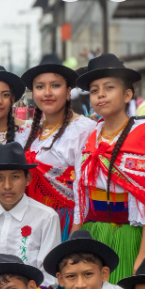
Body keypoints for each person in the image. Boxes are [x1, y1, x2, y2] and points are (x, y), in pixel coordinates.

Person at [74, 53, 145, 283]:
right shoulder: (90, 137)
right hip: (94, 233)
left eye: (109, 87)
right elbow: (81, 194)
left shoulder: (143, 136)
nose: (101, 94)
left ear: (128, 94)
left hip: (129, 236)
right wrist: (75, 238)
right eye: (95, 90)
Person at [17, 54, 98, 241]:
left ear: (68, 91)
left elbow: (84, 187)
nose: (47, 93)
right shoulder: (28, 132)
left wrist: (75, 233)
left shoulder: (84, 130)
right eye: (40, 87)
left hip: (66, 223)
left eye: (55, 85)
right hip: (30, 224)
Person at [0, 142, 61, 288]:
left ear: (28, 178)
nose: (7, 186)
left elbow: (49, 276)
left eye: (15, 177)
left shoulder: (46, 217)